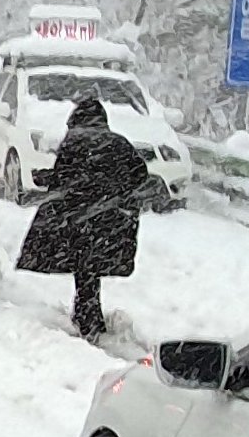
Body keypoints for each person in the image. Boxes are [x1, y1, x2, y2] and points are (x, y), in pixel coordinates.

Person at [14, 95, 155, 338]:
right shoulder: (119, 142)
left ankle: (86, 317)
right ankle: (90, 315)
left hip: (81, 217)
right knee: (92, 267)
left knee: (84, 266)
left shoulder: (74, 141)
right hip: (111, 218)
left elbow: (64, 179)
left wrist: (52, 184)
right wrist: (115, 191)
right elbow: (140, 174)